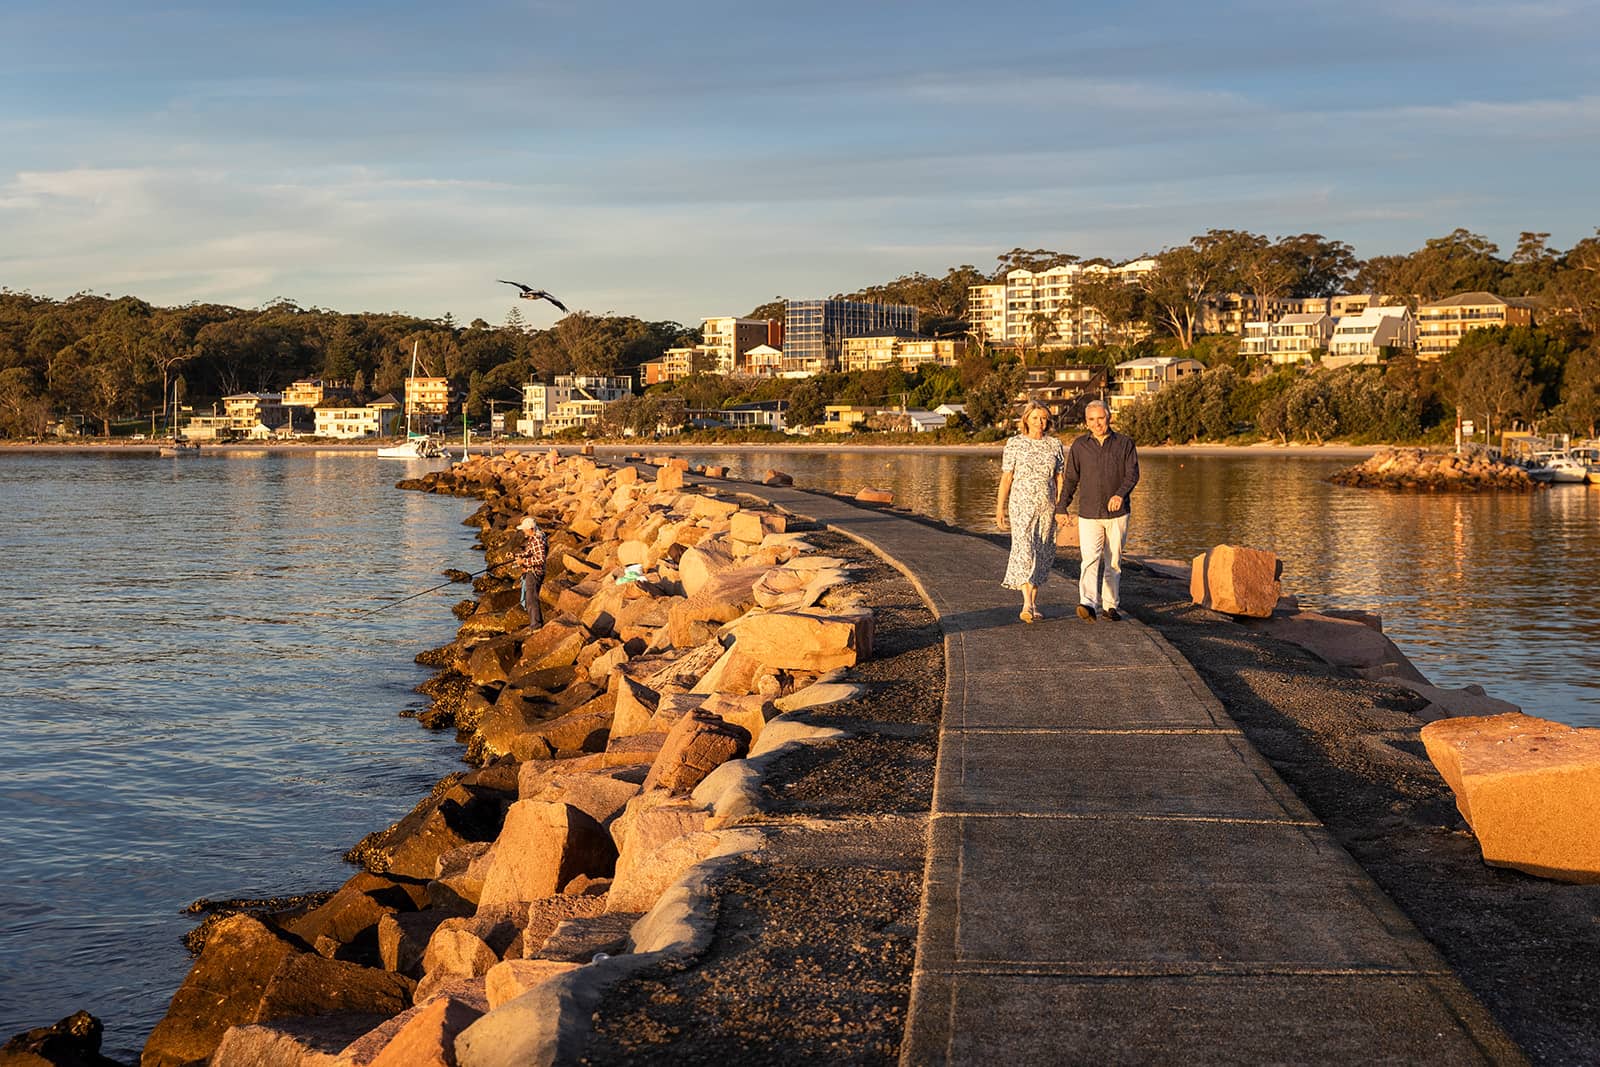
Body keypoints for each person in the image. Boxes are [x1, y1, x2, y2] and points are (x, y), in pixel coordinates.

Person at [1060, 399, 1139, 622]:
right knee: (1090, 559)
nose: (1097, 423)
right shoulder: (1079, 446)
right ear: (1086, 422)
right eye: (1092, 420)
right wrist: (1061, 506)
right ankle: (1087, 603)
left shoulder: (1125, 444)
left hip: (1117, 513)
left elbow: (1132, 474)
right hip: (1088, 513)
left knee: (1113, 561)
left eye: (1100, 418)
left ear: (1109, 417)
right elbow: (1070, 479)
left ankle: (1110, 606)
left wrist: (1119, 494)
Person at [995, 401, 1066, 623]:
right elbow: (1007, 477)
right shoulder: (1015, 444)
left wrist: (1061, 507)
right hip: (1021, 503)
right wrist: (999, 509)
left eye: (1044, 418)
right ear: (1026, 419)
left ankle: (1034, 603)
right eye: (1035, 418)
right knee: (1024, 548)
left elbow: (1060, 479)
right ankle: (1026, 602)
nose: (1040, 422)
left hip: (1047, 504)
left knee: (1043, 550)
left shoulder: (1054, 445)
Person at [515, 515, 547, 627]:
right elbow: (529, 553)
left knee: (531, 599)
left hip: (534, 573)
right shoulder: (534, 538)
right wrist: (515, 556)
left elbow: (540, 559)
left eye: (524, 528)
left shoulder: (537, 540)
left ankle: (536, 624)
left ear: (531, 529)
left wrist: (524, 562)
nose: (523, 530)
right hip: (532, 572)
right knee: (530, 598)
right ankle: (535, 623)